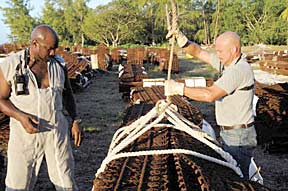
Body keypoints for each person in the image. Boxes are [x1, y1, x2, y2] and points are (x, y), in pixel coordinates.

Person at [165, 30, 257, 179]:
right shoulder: (228, 63)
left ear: (234, 50)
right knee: (232, 174)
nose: (217, 55)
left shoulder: (238, 71)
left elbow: (210, 94)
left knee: (237, 179)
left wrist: (179, 89)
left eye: (220, 51)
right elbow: (199, 53)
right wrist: (183, 41)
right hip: (232, 133)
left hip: (238, 137)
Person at [0, 24, 82, 190]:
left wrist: (74, 119)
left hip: (56, 131)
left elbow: (67, 94)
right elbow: (1, 99)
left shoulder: (59, 65)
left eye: (55, 49)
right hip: (25, 134)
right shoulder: (11, 65)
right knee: (18, 184)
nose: (53, 53)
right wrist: (20, 117)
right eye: (49, 49)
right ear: (35, 43)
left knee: (66, 182)